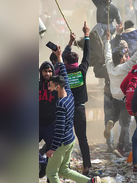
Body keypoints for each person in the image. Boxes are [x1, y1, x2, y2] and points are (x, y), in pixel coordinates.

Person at [45, 46, 101, 183]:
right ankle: (90, 181)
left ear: (57, 87)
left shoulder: (60, 105)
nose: (49, 88)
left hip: (62, 142)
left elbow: (59, 130)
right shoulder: (69, 94)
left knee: (51, 174)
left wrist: (52, 149)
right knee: (64, 170)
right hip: (70, 140)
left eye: (51, 86)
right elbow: (63, 74)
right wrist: (59, 58)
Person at [103, 30, 137, 157]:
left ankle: (112, 121)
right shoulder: (125, 67)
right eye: (124, 56)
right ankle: (121, 147)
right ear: (121, 59)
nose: (126, 57)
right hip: (124, 98)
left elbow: (107, 54)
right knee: (126, 124)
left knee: (115, 116)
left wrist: (108, 40)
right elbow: (134, 58)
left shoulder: (109, 66)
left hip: (114, 97)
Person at [62, 22, 92, 175]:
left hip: (65, 108)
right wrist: (86, 36)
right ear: (76, 62)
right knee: (82, 138)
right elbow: (87, 55)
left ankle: (62, 165)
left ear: (66, 63)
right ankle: (87, 166)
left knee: (62, 138)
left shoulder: (62, 73)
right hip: (79, 108)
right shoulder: (82, 70)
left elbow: (60, 59)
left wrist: (70, 43)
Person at [39, 60, 57, 157]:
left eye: (50, 71)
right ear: (41, 72)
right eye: (45, 71)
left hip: (51, 124)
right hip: (37, 123)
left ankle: (46, 170)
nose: (48, 73)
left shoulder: (55, 87)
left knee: (52, 152)